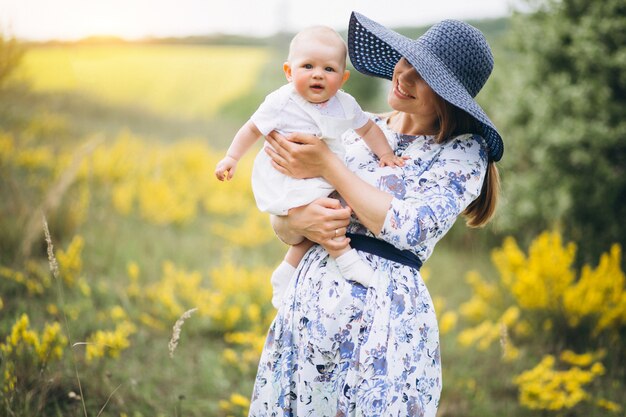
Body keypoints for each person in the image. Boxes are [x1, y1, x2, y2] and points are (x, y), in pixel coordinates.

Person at [248, 11, 503, 417]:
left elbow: (411, 227)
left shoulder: (463, 151)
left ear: (447, 95)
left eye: (425, 75)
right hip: (307, 311)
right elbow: (285, 211)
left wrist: (329, 166)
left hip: (382, 324)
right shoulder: (354, 123)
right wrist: (293, 222)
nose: (404, 75)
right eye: (408, 60)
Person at [214, 25, 406, 309]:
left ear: (342, 79)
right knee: (329, 212)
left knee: (331, 209)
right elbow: (252, 129)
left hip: (321, 174)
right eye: (308, 66)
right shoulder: (281, 101)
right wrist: (231, 158)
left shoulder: (345, 104)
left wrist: (386, 154)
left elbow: (368, 130)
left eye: (329, 69)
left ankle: (287, 270)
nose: (318, 74)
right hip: (286, 174)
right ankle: (346, 258)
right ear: (289, 72)